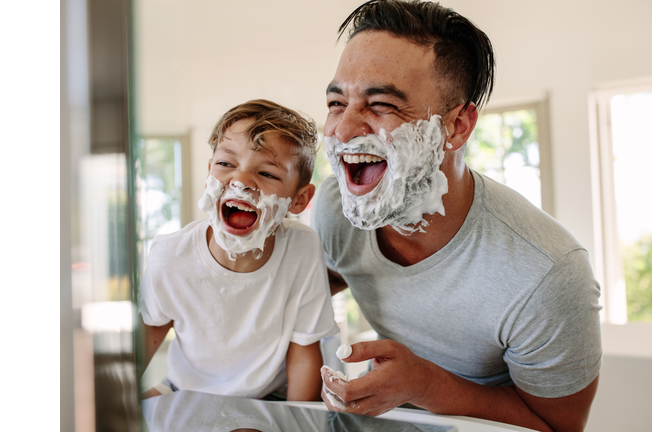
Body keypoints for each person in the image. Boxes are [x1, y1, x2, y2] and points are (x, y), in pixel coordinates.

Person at [310, 1, 602, 431]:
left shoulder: (547, 273)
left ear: (457, 127)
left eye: (381, 105)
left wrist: (425, 385)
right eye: (337, 102)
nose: (342, 129)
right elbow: (311, 285)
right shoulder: (338, 208)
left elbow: (559, 426)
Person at [139, 99, 339, 401]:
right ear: (209, 173)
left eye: (268, 174)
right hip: (185, 388)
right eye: (225, 164)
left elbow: (303, 355)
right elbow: (141, 346)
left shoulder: (302, 249)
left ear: (299, 200)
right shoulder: (169, 256)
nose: (242, 181)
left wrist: (299, 421)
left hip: (269, 395)